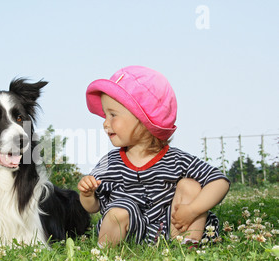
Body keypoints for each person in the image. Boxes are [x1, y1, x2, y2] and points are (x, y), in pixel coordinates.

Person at [78, 66, 230, 248]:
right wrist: (87, 194)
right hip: (129, 235)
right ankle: (105, 254)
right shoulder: (109, 163)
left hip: (170, 230)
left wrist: (192, 209)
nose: (105, 123)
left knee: (189, 186)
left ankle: (187, 246)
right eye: (105, 115)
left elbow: (220, 182)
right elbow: (93, 207)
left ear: (143, 118)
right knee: (119, 209)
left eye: (112, 115)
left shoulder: (176, 160)